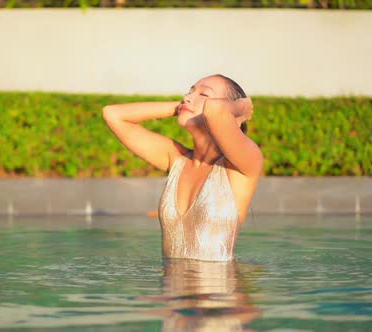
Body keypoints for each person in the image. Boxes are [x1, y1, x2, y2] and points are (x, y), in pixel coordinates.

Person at [102, 74, 263, 261]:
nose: (188, 97)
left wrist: (238, 108)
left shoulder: (242, 166)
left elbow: (214, 111)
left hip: (221, 289)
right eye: (190, 91)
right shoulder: (176, 159)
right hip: (171, 290)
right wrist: (183, 106)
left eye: (204, 94)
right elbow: (112, 115)